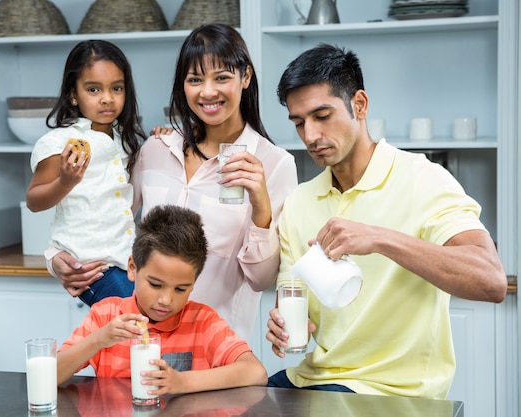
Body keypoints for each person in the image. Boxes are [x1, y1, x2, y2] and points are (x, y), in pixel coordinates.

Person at [265, 43, 507, 399]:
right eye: (299, 122)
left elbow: (491, 281)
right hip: (314, 379)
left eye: (322, 116)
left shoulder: (424, 179)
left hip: (392, 391)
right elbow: (292, 298)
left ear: (359, 105)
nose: (310, 136)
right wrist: (283, 326)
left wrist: (379, 238)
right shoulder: (300, 202)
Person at [50, 23, 298, 341]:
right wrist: (56, 258)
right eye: (195, 80)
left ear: (245, 77)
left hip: (211, 352)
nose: (208, 92)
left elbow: (261, 281)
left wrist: (260, 204)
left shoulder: (275, 164)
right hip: (138, 344)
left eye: (222, 77)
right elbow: (101, 216)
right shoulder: (155, 150)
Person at [56, 204, 268, 395]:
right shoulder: (106, 316)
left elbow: (255, 372)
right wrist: (99, 339)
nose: (166, 300)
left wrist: (182, 382)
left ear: (193, 283)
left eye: (181, 289)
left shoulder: (203, 322)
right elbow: (51, 375)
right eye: (156, 285)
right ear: (132, 268)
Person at [26, 40, 146, 305]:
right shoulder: (60, 141)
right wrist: (65, 181)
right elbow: (34, 200)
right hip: (92, 266)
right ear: (73, 94)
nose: (107, 98)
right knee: (135, 327)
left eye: (117, 88)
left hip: (127, 259)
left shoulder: (124, 140)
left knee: (140, 334)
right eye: (93, 89)